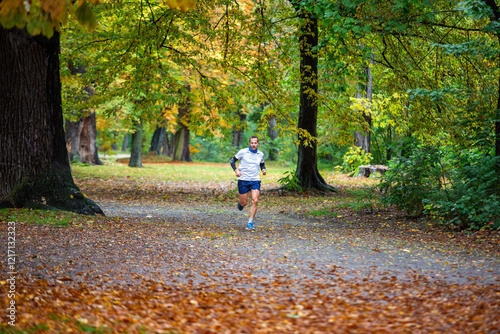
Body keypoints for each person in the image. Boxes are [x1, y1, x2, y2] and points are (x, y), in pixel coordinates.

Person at [230, 135, 266, 230]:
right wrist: (236, 171)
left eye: (255, 143)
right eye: (252, 143)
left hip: (255, 180)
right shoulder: (243, 152)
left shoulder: (260, 154)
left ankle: (250, 223)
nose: (253, 144)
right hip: (243, 180)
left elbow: (262, 163)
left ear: (257, 143)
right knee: (244, 202)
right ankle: (240, 204)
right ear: (249, 143)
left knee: (255, 200)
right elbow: (232, 161)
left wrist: (263, 170)